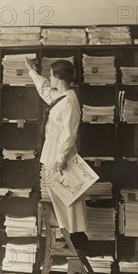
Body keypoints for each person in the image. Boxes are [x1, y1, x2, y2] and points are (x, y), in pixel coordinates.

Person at [24, 57, 88, 251]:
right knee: (60, 195)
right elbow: (44, 90)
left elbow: (69, 133)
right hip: (53, 152)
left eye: (51, 75)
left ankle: (76, 236)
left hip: (62, 155)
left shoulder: (70, 101)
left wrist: (60, 159)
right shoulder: (61, 96)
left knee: (70, 196)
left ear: (58, 77)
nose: (49, 78)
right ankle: (69, 234)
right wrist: (32, 72)